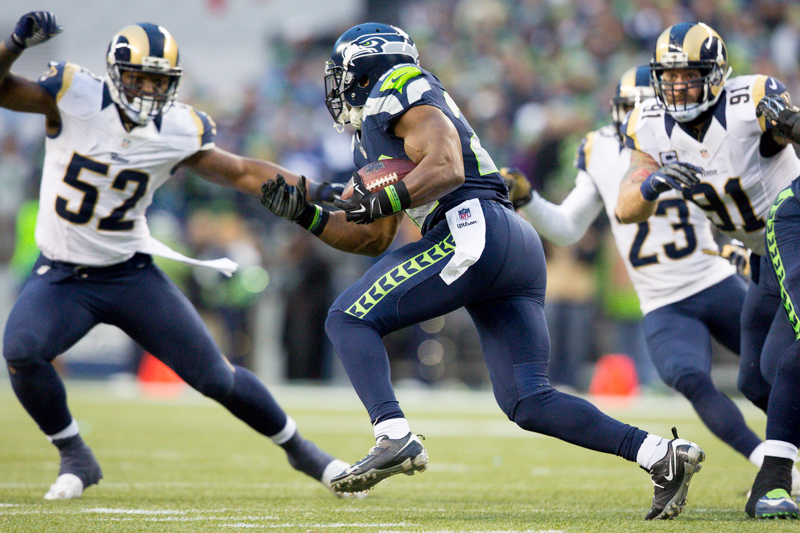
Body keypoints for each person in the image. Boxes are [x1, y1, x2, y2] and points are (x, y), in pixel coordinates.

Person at [261, 22, 705, 520]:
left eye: (342, 74)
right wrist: (308, 214)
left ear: (364, 71)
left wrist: (385, 195)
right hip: (508, 241)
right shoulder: (376, 131)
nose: (337, 86)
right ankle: (661, 456)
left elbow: (447, 166)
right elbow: (373, 237)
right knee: (528, 401)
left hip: (471, 225)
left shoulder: (400, 84)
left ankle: (393, 435)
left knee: (347, 319)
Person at [0, 12, 361, 500]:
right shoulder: (73, 96)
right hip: (62, 274)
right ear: (115, 74)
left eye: (160, 80)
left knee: (217, 378)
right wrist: (15, 44)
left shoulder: (176, 128)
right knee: (22, 351)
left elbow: (240, 171)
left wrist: (317, 188)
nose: (150, 90)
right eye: (141, 77)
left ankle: (304, 452)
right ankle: (75, 454)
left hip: (130, 274)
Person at [517, 65, 800, 491]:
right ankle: (773, 466)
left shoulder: (687, 132)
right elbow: (570, 228)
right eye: (627, 107)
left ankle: (778, 463)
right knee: (695, 377)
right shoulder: (599, 150)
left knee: (769, 373)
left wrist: (739, 251)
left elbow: (738, 200)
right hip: (660, 298)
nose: (635, 116)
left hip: (713, 275)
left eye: (641, 106)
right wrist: (530, 199)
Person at [613, 22, 800, 518]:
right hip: (762, 258)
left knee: (785, 363)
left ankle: (775, 479)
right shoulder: (648, 122)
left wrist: (792, 123)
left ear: (716, 75)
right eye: (668, 78)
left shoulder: (751, 99)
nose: (677, 88)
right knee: (756, 380)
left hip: (793, 236)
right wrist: (652, 184)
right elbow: (626, 207)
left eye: (689, 77)